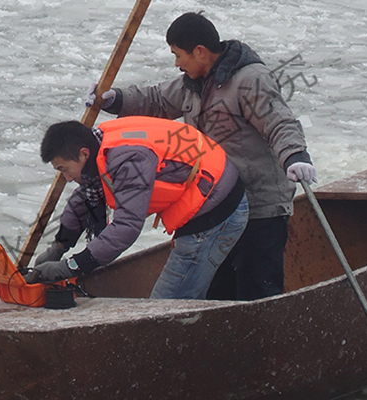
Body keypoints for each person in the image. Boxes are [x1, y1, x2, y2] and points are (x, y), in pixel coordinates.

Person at [85, 12, 317, 301]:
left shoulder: (250, 79)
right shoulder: (193, 83)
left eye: (178, 55)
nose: (177, 63)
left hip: (260, 208)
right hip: (219, 208)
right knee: (217, 293)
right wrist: (116, 100)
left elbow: (279, 122)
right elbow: (155, 100)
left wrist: (296, 156)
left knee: (258, 291)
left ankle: (260, 344)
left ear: (200, 52)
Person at [25, 115, 249, 300]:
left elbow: (127, 227)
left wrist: (71, 267)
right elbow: (84, 199)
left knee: (165, 304)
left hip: (217, 208)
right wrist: (58, 247)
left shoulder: (129, 160)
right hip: (208, 193)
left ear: (83, 153)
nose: (67, 178)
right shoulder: (99, 147)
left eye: (64, 169)